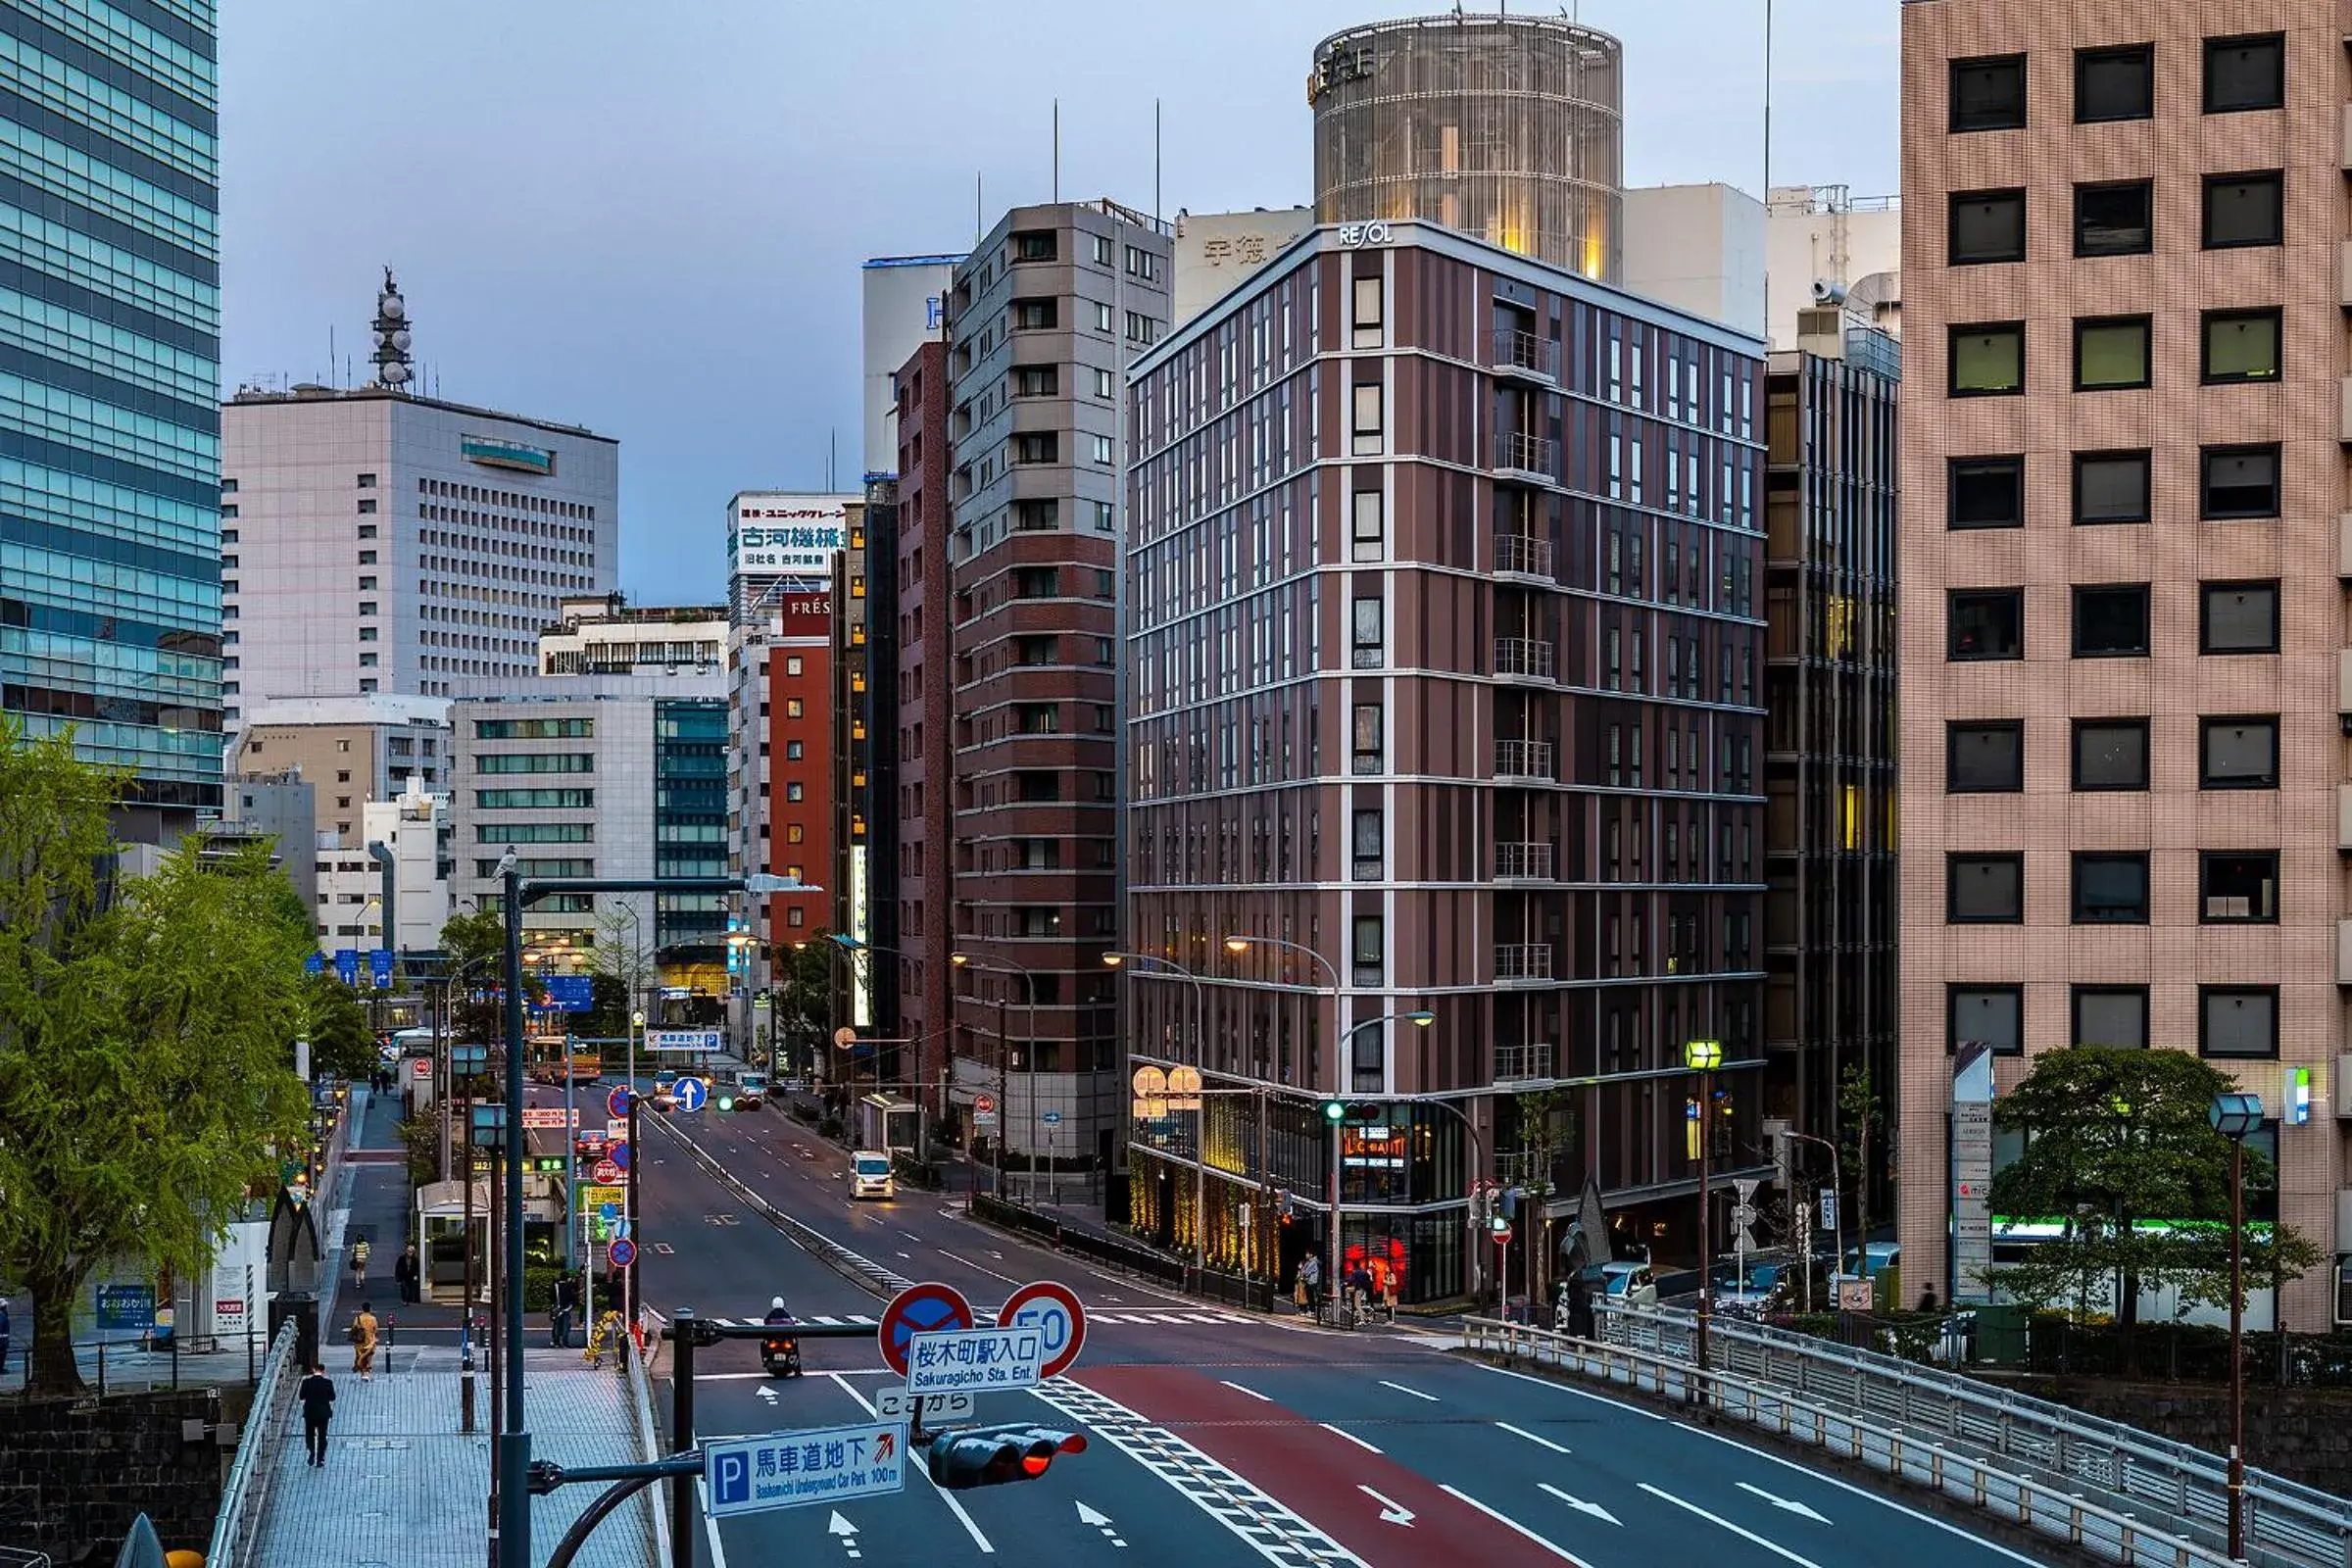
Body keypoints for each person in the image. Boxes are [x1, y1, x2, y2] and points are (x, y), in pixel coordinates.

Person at [298, 1363, 336, 1466]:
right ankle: (320, 1459)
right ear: (323, 1371)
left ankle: (311, 1452)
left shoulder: (306, 1382)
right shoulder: (328, 1383)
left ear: (313, 1370)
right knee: (322, 1435)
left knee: (309, 1434)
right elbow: (332, 1397)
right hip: (323, 1413)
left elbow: (301, 1396)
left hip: (310, 1412)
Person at [350, 1300, 378, 1381]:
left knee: (360, 1357)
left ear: (362, 1309)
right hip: (369, 1342)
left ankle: (362, 1374)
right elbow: (375, 1330)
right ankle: (367, 1374)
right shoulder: (373, 1319)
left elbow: (354, 1328)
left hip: (359, 1342)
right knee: (368, 1358)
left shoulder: (358, 1318)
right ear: (370, 1309)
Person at [551, 1272, 579, 1348]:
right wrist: (571, 1306)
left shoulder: (555, 1285)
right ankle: (564, 1342)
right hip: (566, 1308)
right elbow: (573, 1297)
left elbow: (551, 1296)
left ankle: (556, 1341)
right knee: (565, 1325)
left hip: (556, 1307)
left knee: (556, 1325)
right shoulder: (569, 1286)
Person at [1298, 1252, 1322, 1319]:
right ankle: (1312, 1311)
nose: (1306, 1255)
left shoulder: (1313, 1262)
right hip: (1310, 1281)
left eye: (1307, 1254)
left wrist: (1302, 1269)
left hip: (1311, 1282)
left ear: (1311, 1255)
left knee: (1311, 1297)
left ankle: (1313, 1311)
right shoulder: (1310, 1262)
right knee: (1310, 1297)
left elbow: (1306, 1272)